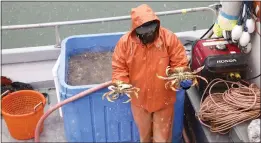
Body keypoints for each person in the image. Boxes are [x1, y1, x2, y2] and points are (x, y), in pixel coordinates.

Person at [111, 4, 192, 142]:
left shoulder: (168, 38)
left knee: (163, 138)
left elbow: (179, 61)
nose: (149, 34)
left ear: (157, 25)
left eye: (151, 30)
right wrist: (120, 83)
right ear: (135, 30)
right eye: (144, 32)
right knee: (144, 137)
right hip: (139, 100)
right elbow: (119, 67)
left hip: (164, 99)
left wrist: (183, 75)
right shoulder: (125, 43)